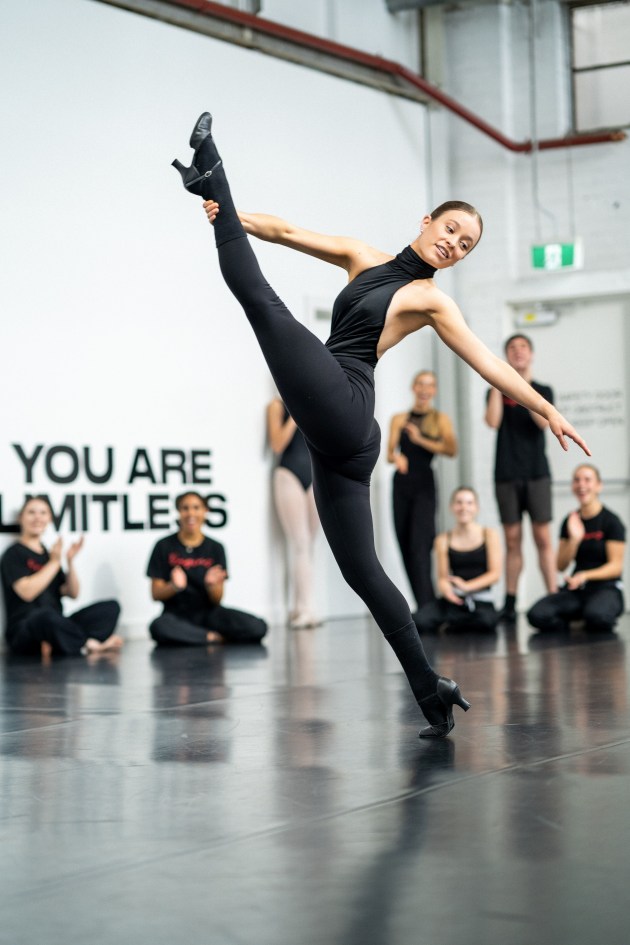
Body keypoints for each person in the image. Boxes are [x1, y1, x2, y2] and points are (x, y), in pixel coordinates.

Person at [172, 111, 588, 737]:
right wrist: (228, 217)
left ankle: (214, 168)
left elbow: (488, 364)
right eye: (451, 230)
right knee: (363, 573)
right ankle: (431, 688)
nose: (454, 244)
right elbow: (283, 231)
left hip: (345, 398)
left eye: (465, 245)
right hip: (337, 438)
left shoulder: (432, 300)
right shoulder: (361, 257)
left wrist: (547, 407)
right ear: (427, 221)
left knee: (260, 303)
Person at [485, 333, 556, 622]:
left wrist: (523, 388)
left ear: (531, 354)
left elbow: (543, 422)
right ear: (506, 355)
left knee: (542, 538)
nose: (518, 352)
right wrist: (496, 382)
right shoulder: (498, 390)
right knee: (512, 540)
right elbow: (492, 422)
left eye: (523, 347)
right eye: (512, 348)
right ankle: (511, 602)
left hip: (537, 473)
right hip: (506, 474)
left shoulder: (543, 390)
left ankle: (553, 597)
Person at [0, 495, 122, 657]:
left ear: (49, 519)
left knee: (110, 607)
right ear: (21, 518)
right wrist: (55, 562)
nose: (37, 517)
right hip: (25, 628)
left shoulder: (50, 556)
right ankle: (88, 645)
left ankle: (60, 642)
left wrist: (70, 562)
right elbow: (27, 593)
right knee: (44, 616)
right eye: (31, 512)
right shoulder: (13, 553)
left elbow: (72, 593)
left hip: (57, 622)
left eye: (43, 513)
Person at [147, 491, 267, 645]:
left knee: (258, 627)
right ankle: (211, 637)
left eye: (196, 507)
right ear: (178, 512)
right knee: (158, 627)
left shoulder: (215, 548)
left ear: (205, 511)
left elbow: (217, 599)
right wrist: (174, 586)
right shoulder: (163, 546)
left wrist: (212, 586)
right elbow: (155, 593)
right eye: (185, 508)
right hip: (176, 615)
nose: (191, 513)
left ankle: (200, 637)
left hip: (209, 614)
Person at [387, 370, 457, 612]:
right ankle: (422, 603)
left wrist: (419, 440)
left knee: (421, 543)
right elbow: (389, 453)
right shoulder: (399, 418)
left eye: (430, 385)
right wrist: (396, 458)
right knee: (404, 541)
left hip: (424, 483)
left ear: (434, 391)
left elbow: (450, 449)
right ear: (413, 387)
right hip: (402, 484)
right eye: (421, 384)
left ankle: (428, 603)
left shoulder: (439, 419)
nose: (425, 389)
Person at [527, 464, 625, 634]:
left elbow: (616, 567)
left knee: (598, 617)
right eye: (577, 480)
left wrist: (585, 575)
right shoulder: (570, 521)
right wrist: (574, 540)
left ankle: (589, 616)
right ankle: (578, 621)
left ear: (598, 486)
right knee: (537, 615)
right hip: (578, 590)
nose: (581, 485)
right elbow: (560, 565)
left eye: (587, 480)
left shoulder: (611, 522)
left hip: (606, 588)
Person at [415, 486, 502, 634]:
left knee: (486, 622)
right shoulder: (443, 540)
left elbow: (495, 574)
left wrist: (467, 586)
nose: (464, 507)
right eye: (459, 502)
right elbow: (442, 577)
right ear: (452, 507)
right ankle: (454, 621)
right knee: (419, 620)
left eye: (469, 503)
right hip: (455, 599)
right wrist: (447, 591)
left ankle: (453, 623)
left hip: (481, 600)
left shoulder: (489, 535)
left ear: (476, 508)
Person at [267, 397, 321, 629]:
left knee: (310, 544)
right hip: (288, 473)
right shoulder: (278, 405)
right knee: (300, 542)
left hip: (316, 474)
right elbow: (277, 444)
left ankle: (302, 606)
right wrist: (296, 415)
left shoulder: (316, 403)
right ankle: (303, 609)